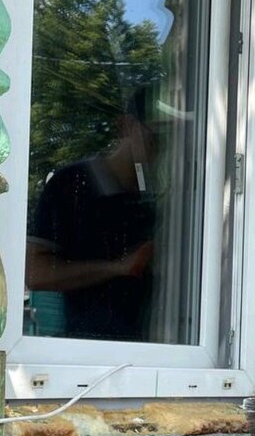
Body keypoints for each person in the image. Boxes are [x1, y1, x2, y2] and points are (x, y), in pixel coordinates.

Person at [26, 84, 164, 341]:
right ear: (126, 126)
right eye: (156, 134)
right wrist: (117, 268)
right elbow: (35, 273)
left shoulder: (158, 197)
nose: (165, 146)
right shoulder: (71, 184)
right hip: (87, 355)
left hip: (156, 355)